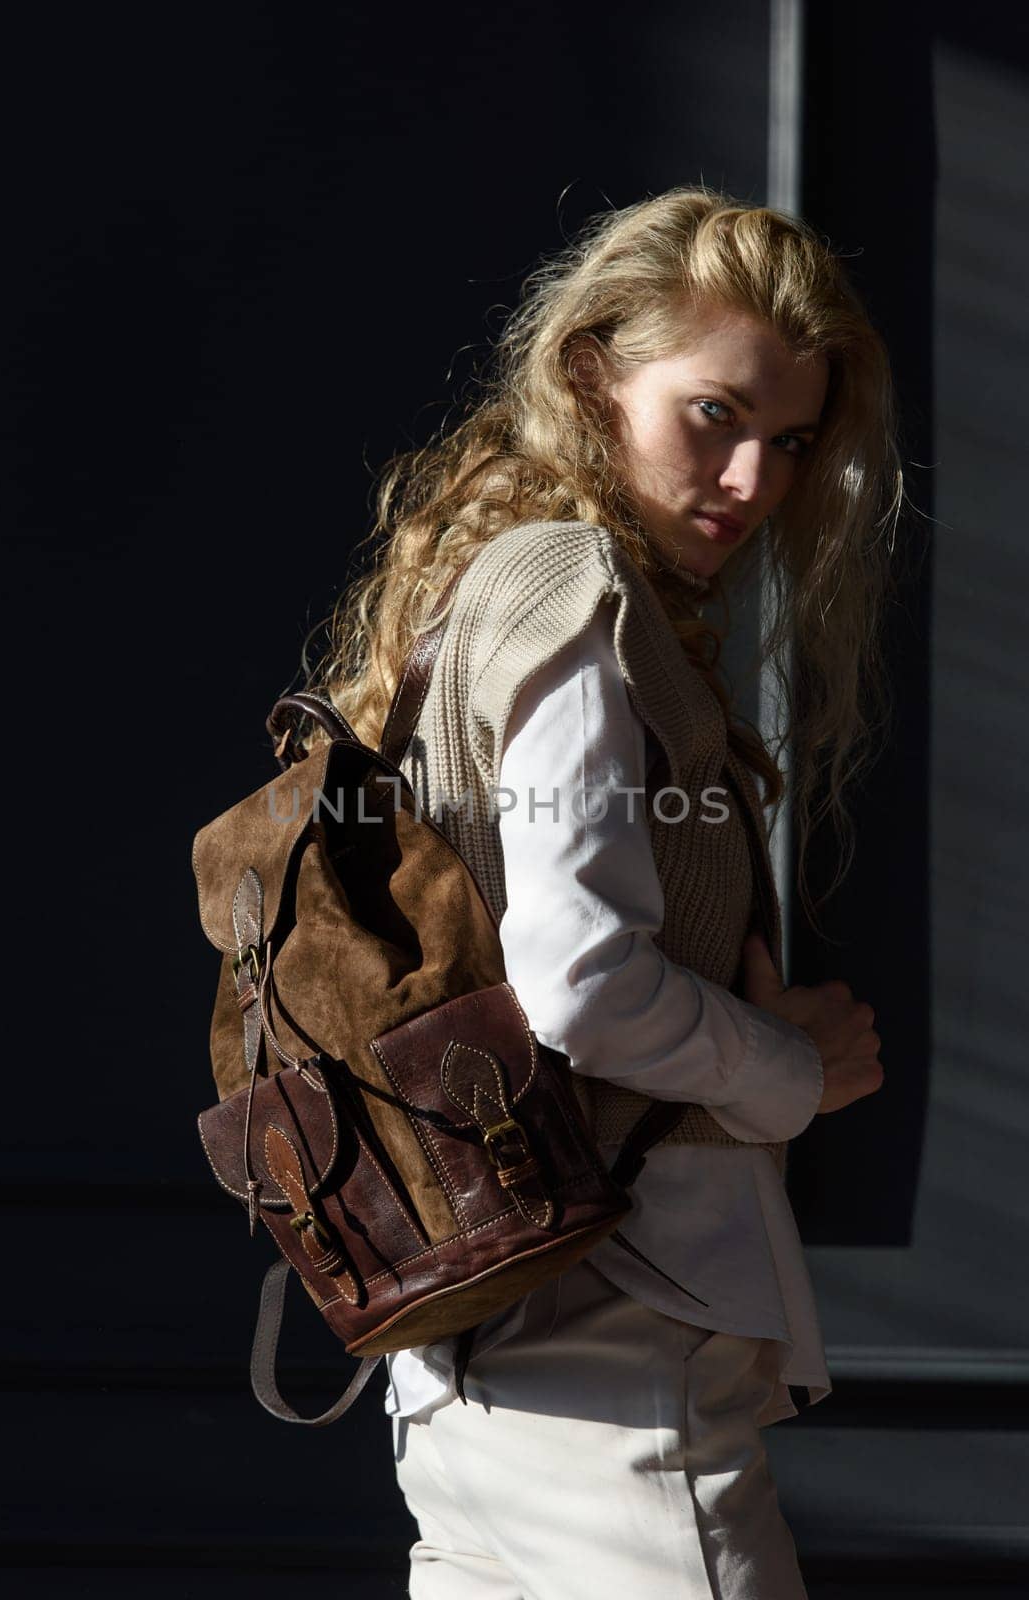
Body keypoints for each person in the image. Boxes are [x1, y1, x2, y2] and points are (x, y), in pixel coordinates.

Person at [311, 186, 896, 1599]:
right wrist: (785, 1073)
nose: (755, 482)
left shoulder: (475, 588)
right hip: (615, 1343)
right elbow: (582, 982)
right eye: (714, 414)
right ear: (590, 374)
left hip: (473, 1347)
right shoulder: (570, 583)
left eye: (793, 441)